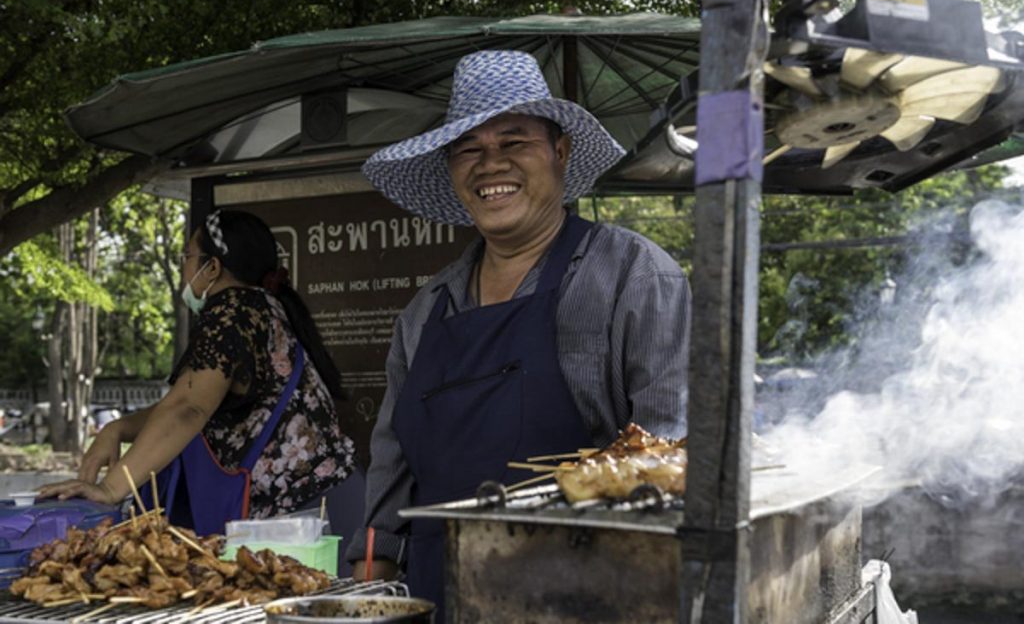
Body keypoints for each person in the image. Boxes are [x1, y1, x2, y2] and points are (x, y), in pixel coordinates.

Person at [344, 50, 691, 611]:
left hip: (590, 596)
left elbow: (670, 454)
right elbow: (391, 466)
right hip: (437, 597)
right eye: (469, 150)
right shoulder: (424, 312)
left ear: (560, 151)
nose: (490, 165)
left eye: (513, 142)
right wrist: (372, 576)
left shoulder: (634, 275)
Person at [39, 210, 356, 532]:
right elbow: (188, 399)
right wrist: (117, 429)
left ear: (212, 267)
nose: (184, 267)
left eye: (188, 257)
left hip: (306, 515)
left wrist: (110, 488)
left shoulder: (233, 312)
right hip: (325, 502)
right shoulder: (260, 308)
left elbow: (188, 409)